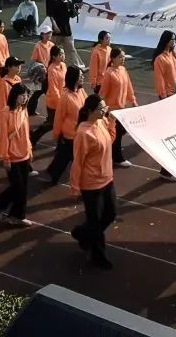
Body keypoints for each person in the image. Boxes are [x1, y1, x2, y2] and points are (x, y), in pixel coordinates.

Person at [69, 94, 117, 269]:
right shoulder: (83, 133)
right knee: (95, 221)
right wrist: (75, 187)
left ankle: (82, 233)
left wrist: (111, 123)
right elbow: (78, 162)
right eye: (101, 108)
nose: (104, 111)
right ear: (90, 111)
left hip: (107, 178)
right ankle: (98, 256)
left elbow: (109, 141)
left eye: (105, 107)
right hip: (91, 184)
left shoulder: (101, 122)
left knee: (110, 214)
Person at [0, 83, 34, 226]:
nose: (24, 98)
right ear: (14, 96)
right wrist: (5, 157)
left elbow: (26, 133)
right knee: (17, 187)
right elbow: (3, 137)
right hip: (12, 156)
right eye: (22, 95)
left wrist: (29, 149)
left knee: (23, 188)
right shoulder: (6, 113)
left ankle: (18, 215)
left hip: (24, 154)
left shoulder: (24, 111)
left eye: (26, 95)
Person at [45, 65, 86, 184]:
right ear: (74, 78)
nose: (83, 78)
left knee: (66, 157)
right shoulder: (65, 96)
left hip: (79, 132)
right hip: (70, 134)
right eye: (80, 76)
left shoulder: (81, 91)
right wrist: (56, 134)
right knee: (66, 158)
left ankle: (53, 171)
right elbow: (59, 117)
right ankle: (54, 176)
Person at [100, 47, 136, 168]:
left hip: (121, 108)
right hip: (112, 110)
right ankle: (117, 158)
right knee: (117, 133)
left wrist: (133, 101)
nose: (123, 59)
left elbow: (129, 87)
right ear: (113, 58)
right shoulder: (109, 73)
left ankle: (109, 150)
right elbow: (103, 93)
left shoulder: (123, 70)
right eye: (120, 57)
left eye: (123, 56)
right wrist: (101, 108)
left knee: (120, 131)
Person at [151, 31, 176, 181]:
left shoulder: (173, 54)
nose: (173, 42)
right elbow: (159, 79)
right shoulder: (160, 59)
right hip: (167, 96)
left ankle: (169, 167)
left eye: (175, 39)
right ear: (165, 40)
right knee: (169, 133)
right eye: (171, 39)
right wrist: (163, 97)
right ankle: (165, 170)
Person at [49, 0, 84, 69]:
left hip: (66, 30)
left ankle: (77, 67)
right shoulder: (56, 3)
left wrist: (77, 8)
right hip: (57, 30)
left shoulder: (69, 3)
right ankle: (48, 65)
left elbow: (72, 15)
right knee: (52, 49)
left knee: (71, 49)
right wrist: (55, 26)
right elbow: (51, 16)